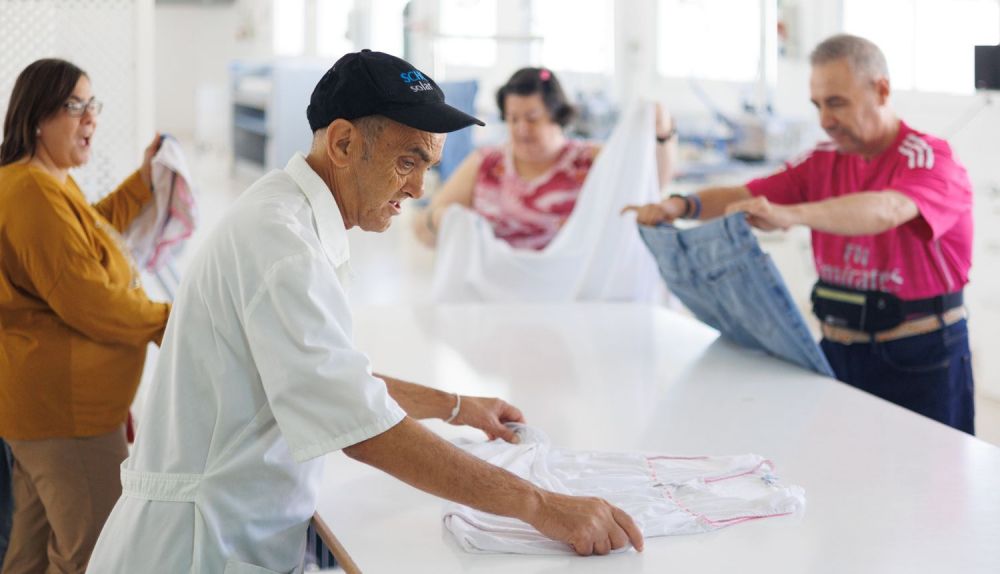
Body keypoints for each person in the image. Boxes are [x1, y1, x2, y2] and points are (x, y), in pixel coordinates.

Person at [87, 50, 644, 573]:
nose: (420, 188)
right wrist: (541, 505)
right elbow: (362, 429)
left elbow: (327, 379)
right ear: (344, 143)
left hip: (230, 536)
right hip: (194, 547)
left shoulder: (293, 218)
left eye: (428, 166)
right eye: (408, 161)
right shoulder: (280, 244)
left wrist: (455, 406)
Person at [623, 34, 974, 435]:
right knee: (840, 472)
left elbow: (887, 209)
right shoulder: (821, 160)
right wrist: (681, 206)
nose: (824, 120)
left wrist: (791, 215)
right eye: (818, 105)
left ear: (881, 90)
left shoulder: (930, 159)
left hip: (919, 358)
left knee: (929, 485)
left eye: (837, 103)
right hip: (833, 350)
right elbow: (747, 193)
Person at [0, 58, 169, 573]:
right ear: (36, 117)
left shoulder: (46, 183)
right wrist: (170, 321)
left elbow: (93, 233)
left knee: (30, 552)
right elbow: (90, 301)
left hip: (43, 413)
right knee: (93, 554)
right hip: (67, 419)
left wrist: (143, 183)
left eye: (92, 105)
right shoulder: (31, 193)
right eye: (76, 106)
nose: (90, 118)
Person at [415, 66, 678, 250]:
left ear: (557, 115)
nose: (520, 129)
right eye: (513, 119)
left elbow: (653, 182)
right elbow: (423, 230)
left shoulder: (589, 161)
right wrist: (441, 222)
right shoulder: (485, 164)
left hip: (568, 300)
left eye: (532, 118)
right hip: (499, 297)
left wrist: (662, 133)